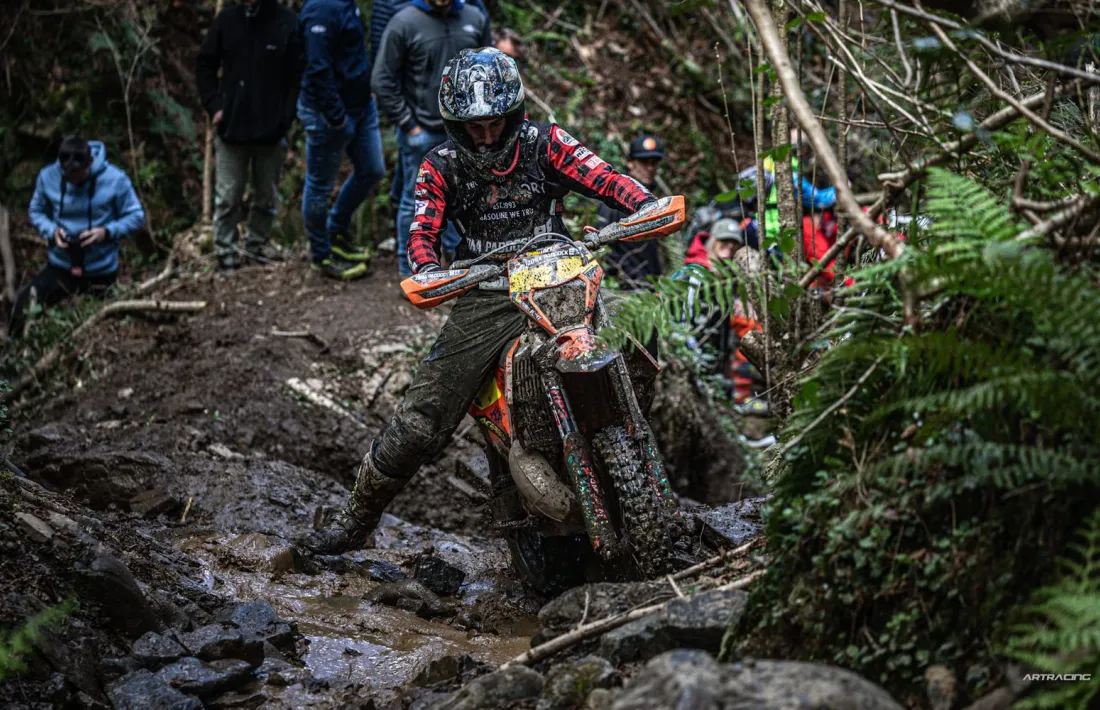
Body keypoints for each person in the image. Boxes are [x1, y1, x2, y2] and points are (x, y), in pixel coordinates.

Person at [302, 47, 658, 554]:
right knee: (423, 416)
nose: (487, 135)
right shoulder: (440, 165)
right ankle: (356, 521)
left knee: (638, 338)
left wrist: (642, 204)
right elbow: (421, 226)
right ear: (456, 125)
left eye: (494, 123)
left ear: (512, 114)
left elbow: (601, 176)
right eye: (474, 127)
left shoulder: (545, 142)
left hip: (560, 274)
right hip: (488, 291)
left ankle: (644, 473)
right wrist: (428, 270)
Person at [372, 0, 491, 276]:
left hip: (466, 131)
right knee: (415, 202)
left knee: (464, 197)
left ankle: (458, 265)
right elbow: (382, 79)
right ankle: (410, 270)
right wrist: (408, 124)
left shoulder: (474, 17)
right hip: (422, 131)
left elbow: (490, 68)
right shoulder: (404, 22)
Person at [196, 0, 301, 271]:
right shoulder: (228, 20)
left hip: (271, 131)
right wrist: (215, 106)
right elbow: (205, 64)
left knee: (266, 196)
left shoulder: (286, 22)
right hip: (232, 129)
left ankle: (256, 247)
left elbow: (297, 76)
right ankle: (225, 253)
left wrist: (285, 117)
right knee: (228, 196)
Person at [10, 137, 145, 338]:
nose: (74, 181)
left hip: (101, 270)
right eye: (69, 176)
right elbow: (36, 210)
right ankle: (12, 352)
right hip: (61, 266)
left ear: (90, 163)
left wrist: (106, 232)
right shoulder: (49, 176)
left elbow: (136, 216)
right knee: (25, 303)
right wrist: (52, 231)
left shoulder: (116, 180)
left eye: (79, 176)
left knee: (107, 328)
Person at [297, 0, 385, 280]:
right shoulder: (320, 10)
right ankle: (321, 256)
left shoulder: (348, 4)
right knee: (319, 186)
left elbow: (354, 52)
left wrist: (365, 87)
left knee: (372, 170)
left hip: (360, 106)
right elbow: (317, 66)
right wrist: (336, 116)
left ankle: (336, 231)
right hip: (329, 114)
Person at [596, 133, 665, 291]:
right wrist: (628, 281)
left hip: (650, 289)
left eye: (654, 163)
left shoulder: (652, 200)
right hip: (626, 290)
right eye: (643, 162)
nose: (649, 167)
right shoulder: (616, 199)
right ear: (630, 163)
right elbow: (604, 248)